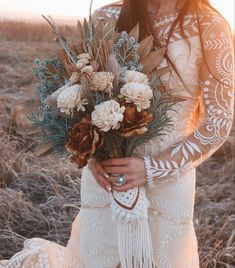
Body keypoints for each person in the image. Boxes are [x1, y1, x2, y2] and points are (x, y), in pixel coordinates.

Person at [0, 0, 234, 267]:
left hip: (168, 181)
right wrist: (92, 157)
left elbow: (218, 121)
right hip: (106, 177)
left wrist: (154, 168)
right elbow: (80, 97)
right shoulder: (106, 17)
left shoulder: (209, 26)